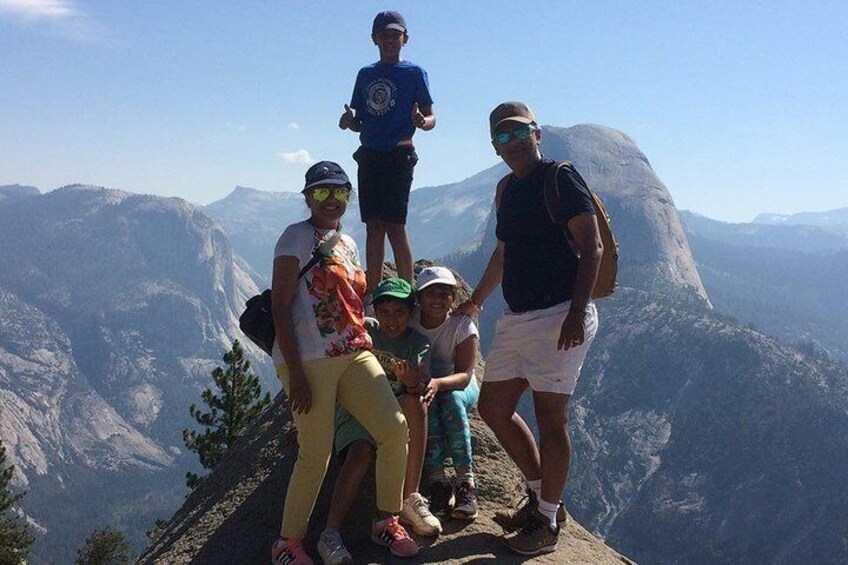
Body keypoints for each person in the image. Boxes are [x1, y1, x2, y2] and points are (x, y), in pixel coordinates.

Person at [456, 102, 602, 556]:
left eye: (519, 132)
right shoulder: (507, 190)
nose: (513, 141)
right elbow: (503, 254)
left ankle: (546, 521)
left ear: (536, 134)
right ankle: (542, 500)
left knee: (550, 420)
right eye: (502, 136)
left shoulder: (560, 178)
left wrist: (577, 312)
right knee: (494, 406)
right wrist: (477, 300)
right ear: (495, 148)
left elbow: (592, 247)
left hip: (560, 315)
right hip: (518, 318)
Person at [270, 161, 418, 565]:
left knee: (394, 428)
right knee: (314, 454)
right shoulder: (294, 238)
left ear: (348, 197)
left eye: (339, 192)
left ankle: (385, 520)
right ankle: (287, 544)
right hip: (310, 361)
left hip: (353, 353)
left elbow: (350, 302)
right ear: (307, 198)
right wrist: (296, 373)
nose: (331, 200)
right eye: (321, 192)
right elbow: (280, 309)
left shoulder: (348, 243)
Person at [318, 277, 441, 565]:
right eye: (384, 312)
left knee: (415, 403)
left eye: (399, 312)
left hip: (393, 411)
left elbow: (420, 381)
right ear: (375, 313)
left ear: (411, 314)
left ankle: (402, 505)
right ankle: (330, 533)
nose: (391, 320)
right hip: (356, 409)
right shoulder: (366, 330)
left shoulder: (417, 343)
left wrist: (412, 382)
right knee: (360, 452)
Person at [339, 10, 436, 293]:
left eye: (395, 34)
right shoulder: (366, 74)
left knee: (395, 223)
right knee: (373, 224)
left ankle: (407, 288)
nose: (389, 40)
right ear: (374, 39)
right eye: (384, 35)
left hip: (399, 153)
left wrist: (422, 122)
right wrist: (349, 123)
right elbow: (360, 121)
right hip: (369, 153)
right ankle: (373, 289)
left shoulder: (414, 73)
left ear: (405, 38)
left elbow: (431, 117)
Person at [410, 266, 480, 522]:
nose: (438, 299)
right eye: (430, 293)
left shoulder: (461, 325)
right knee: (423, 407)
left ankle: (465, 482)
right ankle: (439, 482)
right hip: (429, 384)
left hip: (459, 385)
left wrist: (438, 383)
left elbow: (466, 374)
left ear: (453, 296)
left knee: (448, 402)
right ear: (419, 297)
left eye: (444, 293)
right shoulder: (411, 319)